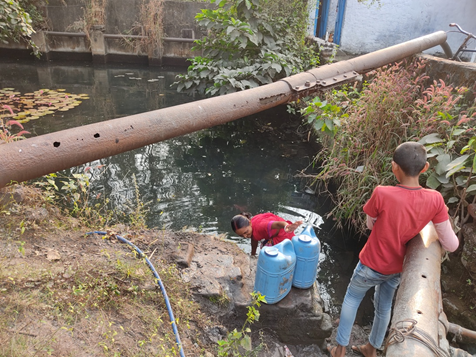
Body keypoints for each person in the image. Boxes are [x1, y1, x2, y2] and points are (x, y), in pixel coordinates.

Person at [327, 142, 459, 357]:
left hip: (371, 264)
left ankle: (339, 349)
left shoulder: (382, 193)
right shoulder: (435, 199)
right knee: (383, 306)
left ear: (393, 167)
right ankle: (372, 348)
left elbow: (370, 225)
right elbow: (452, 245)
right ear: (425, 168)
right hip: (397, 269)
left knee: (352, 298)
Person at [231, 212, 303, 255]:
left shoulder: (261, 226)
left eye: (246, 232)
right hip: (277, 232)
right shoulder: (251, 225)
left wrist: (287, 226)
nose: (245, 236)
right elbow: (254, 239)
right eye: (241, 235)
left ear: (250, 223)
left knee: (266, 251)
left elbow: (277, 224)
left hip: (284, 234)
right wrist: (252, 255)